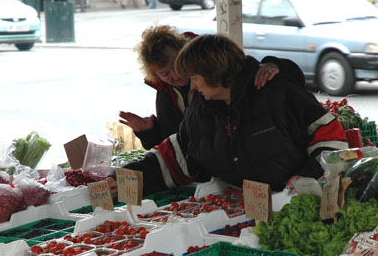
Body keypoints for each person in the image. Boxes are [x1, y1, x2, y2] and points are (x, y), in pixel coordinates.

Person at [112, 34, 348, 196]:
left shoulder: (277, 92)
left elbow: (331, 139)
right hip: (245, 216)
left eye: (195, 77)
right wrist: (124, 179)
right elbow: (173, 158)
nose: (192, 86)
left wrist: (308, 175)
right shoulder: (200, 112)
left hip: (299, 204)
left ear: (214, 72)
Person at [118, 25, 284, 150]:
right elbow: (173, 144)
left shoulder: (216, 71)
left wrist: (276, 64)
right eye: (165, 74)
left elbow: (245, 67)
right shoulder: (165, 95)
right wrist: (149, 132)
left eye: (176, 66)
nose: (175, 76)